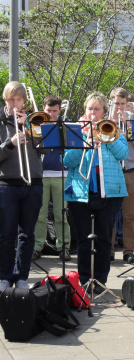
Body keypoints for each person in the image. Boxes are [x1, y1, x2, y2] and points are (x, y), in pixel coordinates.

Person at [64, 91, 128, 291]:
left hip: (109, 191)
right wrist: (84, 141)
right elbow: (66, 161)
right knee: (83, 239)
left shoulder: (113, 129)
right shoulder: (74, 131)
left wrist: (107, 137)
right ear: (84, 111)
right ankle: (83, 280)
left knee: (103, 238)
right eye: (90, 109)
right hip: (80, 190)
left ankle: (100, 281)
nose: (93, 113)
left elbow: (123, 154)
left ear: (104, 112)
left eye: (97, 109)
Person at [0, 81, 44, 292]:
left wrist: (31, 129)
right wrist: (10, 144)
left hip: (33, 184)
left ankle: (22, 277)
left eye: (19, 99)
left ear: (25, 101)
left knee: (27, 234)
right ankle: (5, 276)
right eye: (11, 99)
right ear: (5, 100)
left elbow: (47, 147)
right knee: (6, 234)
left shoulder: (34, 121)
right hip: (7, 185)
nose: (15, 103)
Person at [33, 95, 72, 262]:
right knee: (39, 214)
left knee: (61, 214)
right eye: (48, 111)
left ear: (59, 110)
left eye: (54, 111)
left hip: (60, 174)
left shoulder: (65, 124)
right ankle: (37, 246)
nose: (51, 114)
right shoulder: (37, 123)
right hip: (40, 175)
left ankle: (64, 247)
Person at [109, 88, 134, 264]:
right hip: (111, 170)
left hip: (129, 169)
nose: (120, 107)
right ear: (111, 103)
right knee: (110, 214)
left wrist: (128, 126)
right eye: (117, 104)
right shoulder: (106, 120)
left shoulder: (132, 120)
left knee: (130, 215)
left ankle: (129, 251)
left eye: (123, 104)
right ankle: (109, 250)